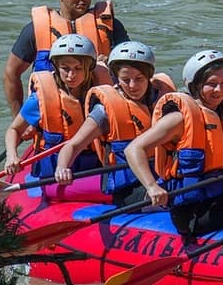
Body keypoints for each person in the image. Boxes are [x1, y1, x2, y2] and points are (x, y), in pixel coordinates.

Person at [123, 49, 223, 242]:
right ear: (195, 85)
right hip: (192, 212)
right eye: (211, 84)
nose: (219, 91)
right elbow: (133, 149)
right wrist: (152, 186)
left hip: (220, 194)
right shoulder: (178, 119)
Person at [52, 41, 176, 203]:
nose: (133, 86)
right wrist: (62, 167)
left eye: (139, 78)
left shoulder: (165, 101)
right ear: (115, 79)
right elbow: (73, 145)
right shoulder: (104, 111)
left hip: (162, 173)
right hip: (127, 186)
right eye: (125, 80)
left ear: (149, 76)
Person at [2, 0, 130, 111]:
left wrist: (111, 65)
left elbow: (133, 69)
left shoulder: (110, 25)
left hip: (99, 112)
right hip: (53, 112)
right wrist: (18, 118)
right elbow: (11, 73)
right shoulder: (37, 29)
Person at [4, 33, 110, 182]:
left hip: (94, 164)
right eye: (65, 68)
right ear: (56, 67)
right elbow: (14, 129)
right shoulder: (41, 98)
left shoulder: (103, 91)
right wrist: (12, 155)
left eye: (78, 68)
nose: (71, 75)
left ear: (90, 67)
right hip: (54, 171)